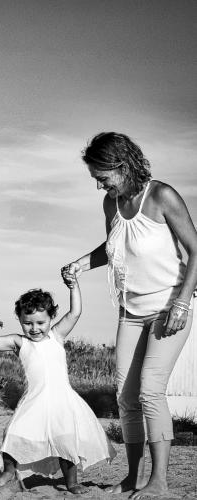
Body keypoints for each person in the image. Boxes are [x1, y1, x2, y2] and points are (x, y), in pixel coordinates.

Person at [62, 132, 197, 499]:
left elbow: (196, 249)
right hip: (130, 312)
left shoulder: (161, 196)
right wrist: (79, 264)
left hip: (169, 308)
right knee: (125, 395)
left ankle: (160, 482)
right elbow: (112, 249)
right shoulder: (111, 204)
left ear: (122, 166)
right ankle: (134, 477)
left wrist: (183, 303)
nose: (98, 184)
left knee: (151, 391)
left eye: (101, 175)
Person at [0, 271, 116, 494]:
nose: (34, 328)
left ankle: (72, 482)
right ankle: (8, 471)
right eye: (28, 323)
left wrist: (73, 285)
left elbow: (75, 312)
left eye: (40, 322)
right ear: (19, 319)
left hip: (62, 401)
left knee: (66, 442)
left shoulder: (56, 336)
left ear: (51, 319)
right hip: (34, 401)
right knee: (12, 433)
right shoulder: (19, 342)